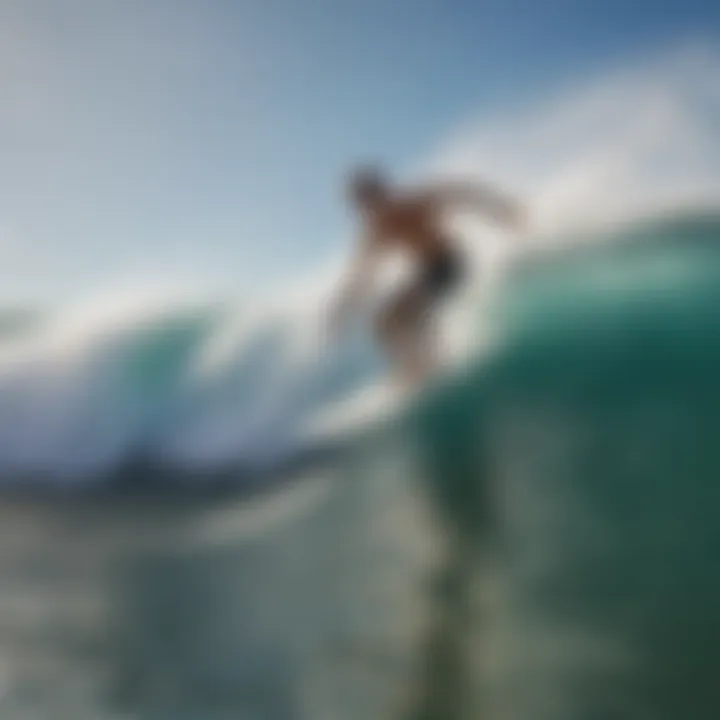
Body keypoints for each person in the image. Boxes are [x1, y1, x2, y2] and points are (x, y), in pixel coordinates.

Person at [329, 165, 524, 385]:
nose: (370, 209)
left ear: (382, 193)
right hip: (427, 272)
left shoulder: (414, 203)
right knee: (384, 324)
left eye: (371, 200)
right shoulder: (378, 232)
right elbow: (361, 276)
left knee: (407, 317)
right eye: (364, 206)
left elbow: (461, 194)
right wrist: (341, 312)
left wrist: (500, 209)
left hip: (450, 263)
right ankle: (419, 368)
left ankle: (430, 363)